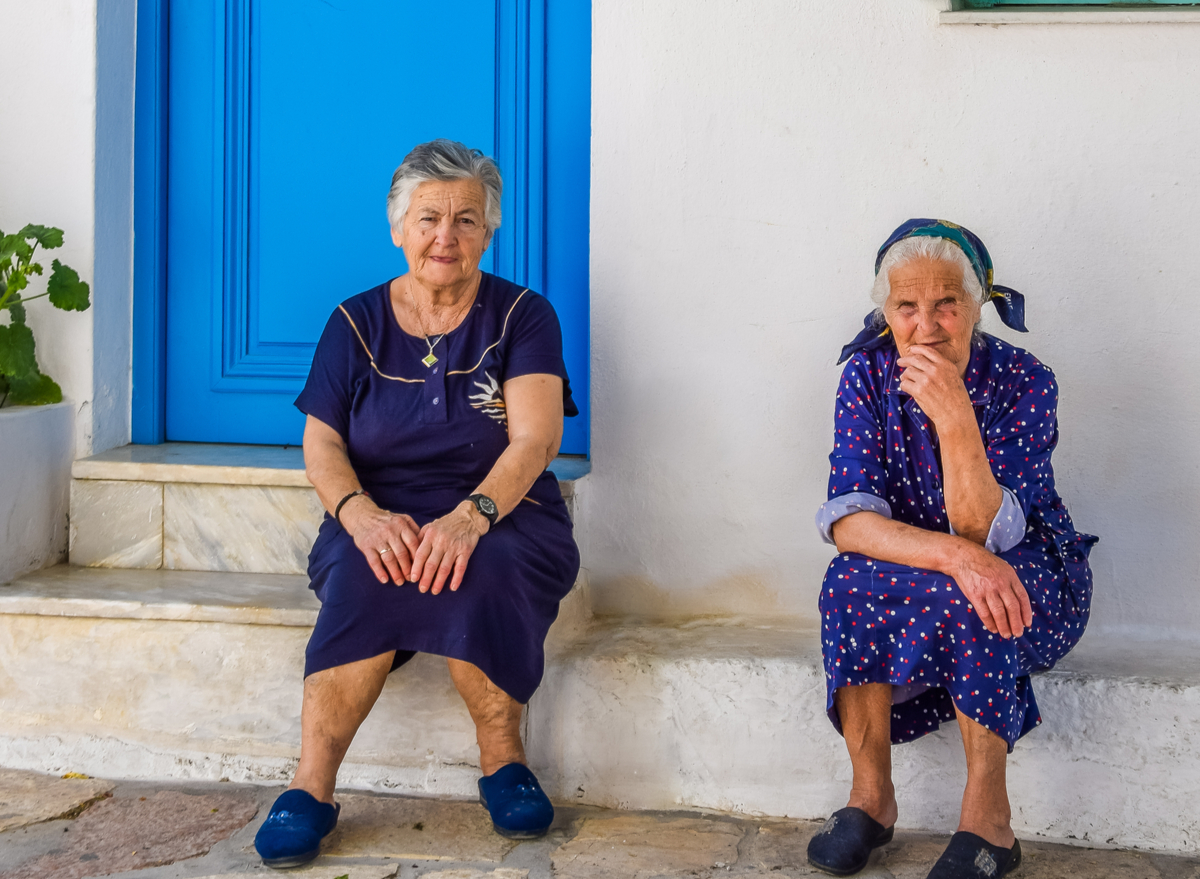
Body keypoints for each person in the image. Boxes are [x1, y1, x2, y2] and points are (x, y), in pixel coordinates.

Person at [253, 139, 580, 868]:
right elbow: (322, 446)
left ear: (489, 231)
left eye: (467, 219)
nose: (446, 236)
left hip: (505, 508)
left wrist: (471, 517)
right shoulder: (354, 322)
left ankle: (504, 763)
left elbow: (534, 440)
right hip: (378, 507)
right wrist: (358, 513)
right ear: (397, 226)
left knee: (483, 570)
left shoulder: (524, 316)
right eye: (429, 217)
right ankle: (310, 785)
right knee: (367, 572)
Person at [807, 220, 1097, 879]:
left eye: (947, 303)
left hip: (1027, 571)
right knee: (846, 581)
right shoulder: (866, 375)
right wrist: (954, 558)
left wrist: (955, 414)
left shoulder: (1026, 380)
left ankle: (989, 819)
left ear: (978, 305)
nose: (927, 325)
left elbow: (985, 535)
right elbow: (849, 520)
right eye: (907, 306)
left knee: (978, 590)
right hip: (932, 565)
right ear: (886, 312)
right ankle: (871, 799)